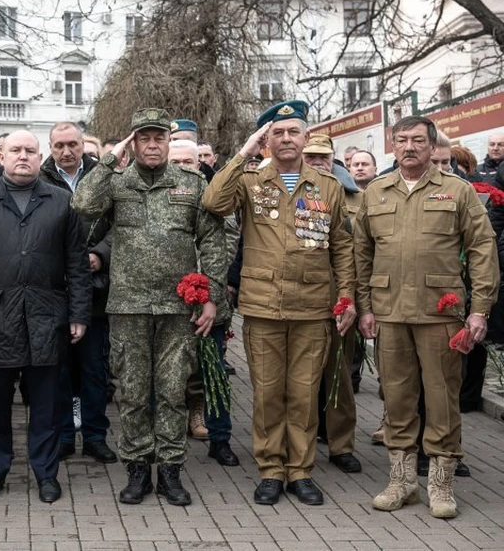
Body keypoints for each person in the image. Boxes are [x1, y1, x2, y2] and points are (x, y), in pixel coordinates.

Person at [202, 100, 356, 507]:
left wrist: (346, 297)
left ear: (306, 138)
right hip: (263, 305)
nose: (286, 139)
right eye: (277, 133)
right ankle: (271, 469)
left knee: (304, 393)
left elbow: (342, 247)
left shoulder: (329, 187)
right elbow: (213, 203)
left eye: (293, 132)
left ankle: (301, 471)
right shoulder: (251, 180)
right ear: (266, 139)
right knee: (268, 392)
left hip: (312, 306)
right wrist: (242, 153)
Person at [74, 109, 228, 507]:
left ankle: (172, 470)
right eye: (144, 138)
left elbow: (212, 241)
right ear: (134, 142)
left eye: (160, 137)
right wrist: (111, 158)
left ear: (169, 141)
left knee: (173, 391)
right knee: (133, 392)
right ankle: (138, 469)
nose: (153, 144)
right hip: (129, 306)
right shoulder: (117, 183)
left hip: (179, 308)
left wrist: (210, 296)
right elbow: (83, 204)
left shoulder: (191, 184)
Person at [354, 116, 499, 519]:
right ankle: (402, 482)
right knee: (397, 399)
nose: (409, 147)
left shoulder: (457, 191)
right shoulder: (376, 193)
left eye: (418, 140)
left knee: (442, 400)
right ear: (393, 147)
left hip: (441, 313)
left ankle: (441, 483)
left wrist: (479, 310)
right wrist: (363, 306)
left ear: (432, 146)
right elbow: (360, 253)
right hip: (390, 313)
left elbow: (483, 249)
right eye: (401, 140)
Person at [0, 130, 92, 503]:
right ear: (0, 156)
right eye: (15, 150)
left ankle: (46, 473)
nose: (23, 156)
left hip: (47, 318)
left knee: (48, 406)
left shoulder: (62, 202)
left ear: (40, 156)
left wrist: (79, 313)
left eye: (30, 151)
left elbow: (78, 265)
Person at [40, 122, 118, 465]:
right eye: (59, 145)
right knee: (58, 371)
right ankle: (64, 434)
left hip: (95, 290)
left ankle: (96, 435)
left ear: (83, 145)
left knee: (93, 369)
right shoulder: (40, 180)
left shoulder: (104, 177)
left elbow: (121, 225)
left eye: (73, 144)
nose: (67, 151)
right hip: (55, 290)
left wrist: (99, 254)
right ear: (51, 147)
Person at [166, 133, 241, 467]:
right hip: (169, 298)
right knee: (170, 371)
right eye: (175, 162)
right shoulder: (159, 194)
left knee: (213, 370)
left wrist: (209, 283)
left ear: (202, 163)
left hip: (210, 296)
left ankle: (220, 437)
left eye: (189, 162)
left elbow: (226, 240)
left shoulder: (215, 196)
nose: (183, 168)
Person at [301, 134, 362, 475]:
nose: (317, 162)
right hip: (304, 297)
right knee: (302, 380)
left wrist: (354, 298)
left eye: (323, 157)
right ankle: (301, 446)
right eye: (310, 157)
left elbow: (361, 250)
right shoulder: (292, 190)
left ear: (333, 158)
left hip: (341, 296)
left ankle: (341, 446)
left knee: (339, 375)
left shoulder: (355, 195)